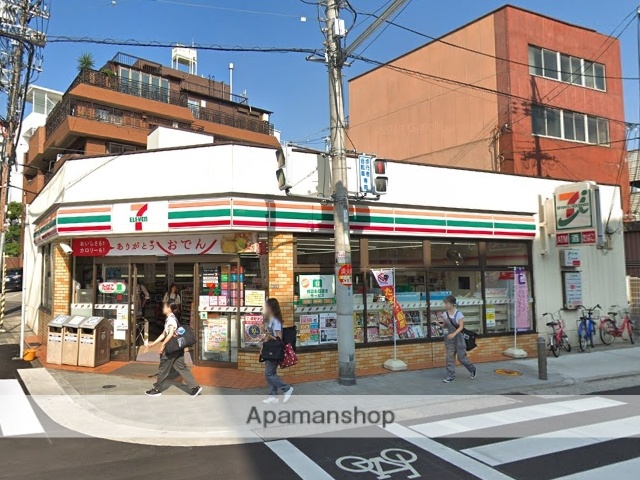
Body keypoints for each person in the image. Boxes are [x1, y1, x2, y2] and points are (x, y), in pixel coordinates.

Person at [144, 302, 202, 397]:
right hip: (177, 348)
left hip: (171, 348)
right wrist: (153, 344)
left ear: (169, 308)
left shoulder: (171, 319)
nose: (163, 308)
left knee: (163, 368)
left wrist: (162, 346)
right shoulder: (170, 318)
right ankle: (195, 387)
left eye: (164, 307)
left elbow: (170, 334)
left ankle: (157, 389)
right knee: (181, 367)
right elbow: (163, 334)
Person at [261, 298, 294, 404]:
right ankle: (273, 396)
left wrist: (266, 333)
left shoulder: (276, 321)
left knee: (269, 374)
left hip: (275, 350)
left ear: (271, 307)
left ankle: (286, 388)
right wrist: (263, 346)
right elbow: (269, 337)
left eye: (266, 306)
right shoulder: (272, 320)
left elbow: (278, 338)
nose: (265, 308)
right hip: (270, 349)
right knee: (271, 373)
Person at [442, 295, 476, 383]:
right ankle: (450, 376)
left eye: (446, 303)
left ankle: (472, 369)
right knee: (449, 358)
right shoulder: (445, 314)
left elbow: (461, 327)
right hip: (449, 340)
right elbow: (444, 325)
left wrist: (454, 334)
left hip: (459, 339)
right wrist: (438, 324)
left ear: (452, 304)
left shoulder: (458, 314)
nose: (445, 305)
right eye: (444, 303)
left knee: (461, 358)